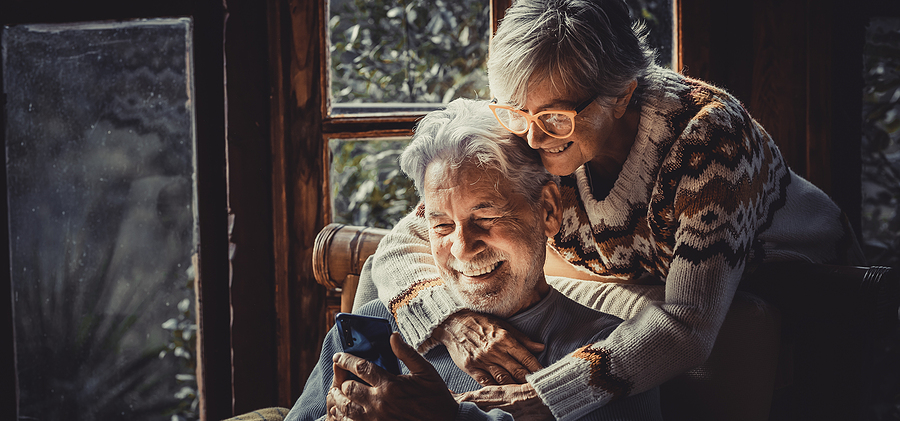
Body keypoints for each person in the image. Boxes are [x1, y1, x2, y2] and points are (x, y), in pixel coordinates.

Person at [365, 0, 865, 419]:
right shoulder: (528, 122)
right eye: (516, 114)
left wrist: (546, 396)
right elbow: (400, 246)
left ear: (622, 95)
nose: (533, 138)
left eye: (556, 119)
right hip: (649, 277)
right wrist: (452, 320)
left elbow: (690, 324)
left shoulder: (709, 139)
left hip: (802, 282)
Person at [284, 98, 663, 421]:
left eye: (486, 218)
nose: (463, 247)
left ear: (548, 210)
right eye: (443, 225)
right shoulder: (372, 327)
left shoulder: (612, 358)